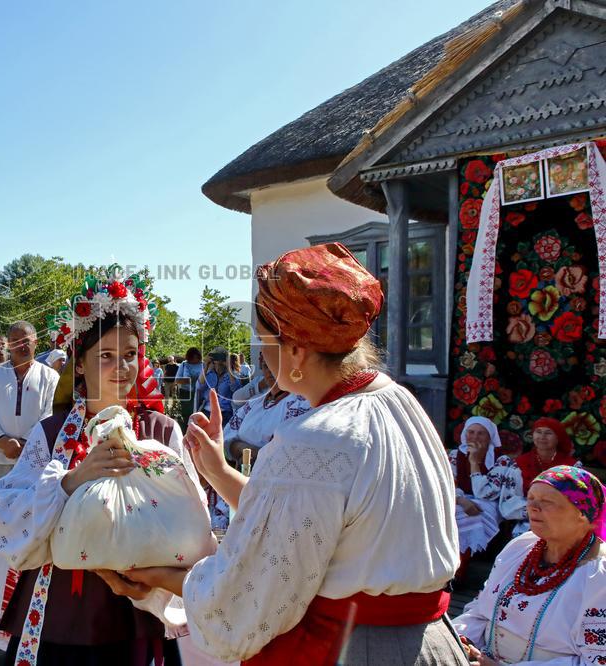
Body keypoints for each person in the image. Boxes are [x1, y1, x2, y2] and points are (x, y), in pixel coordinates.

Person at [123, 243, 465, 665]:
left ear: (297, 350)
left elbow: (250, 596)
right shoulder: (399, 402)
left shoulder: (316, 436)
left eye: (264, 341)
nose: (263, 356)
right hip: (427, 644)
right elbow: (321, 519)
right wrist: (216, 470)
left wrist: (161, 581)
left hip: (358, 649)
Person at [0, 266, 190, 665]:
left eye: (130, 355)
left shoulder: (161, 431)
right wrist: (72, 480)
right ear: (79, 364)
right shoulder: (54, 432)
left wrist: (152, 583)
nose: (122, 368)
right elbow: (1, 514)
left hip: (135, 607)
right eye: (107, 356)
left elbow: (188, 525)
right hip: (60, 605)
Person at [454, 465, 606, 665]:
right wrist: (459, 641)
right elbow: (481, 609)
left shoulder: (598, 575)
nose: (533, 507)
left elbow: (596, 661)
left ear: (582, 512)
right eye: (531, 498)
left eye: (547, 501)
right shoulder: (522, 547)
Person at [0, 321, 58, 490]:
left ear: (36, 342)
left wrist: (27, 442)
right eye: (15, 340)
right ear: (8, 345)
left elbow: (50, 413)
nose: (21, 345)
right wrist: (2, 441)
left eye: (26, 340)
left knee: (30, 511)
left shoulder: (50, 376)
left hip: (34, 459)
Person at [222, 350, 310, 467]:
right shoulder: (255, 402)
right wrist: (243, 449)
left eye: (276, 365)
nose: (270, 371)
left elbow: (285, 453)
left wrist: (249, 452)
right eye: (266, 366)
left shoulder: (301, 404)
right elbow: (226, 435)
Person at [449, 416, 515, 560]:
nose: (475, 437)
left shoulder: (501, 460)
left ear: (489, 436)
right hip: (458, 499)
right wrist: (460, 500)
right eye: (471, 432)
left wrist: (474, 463)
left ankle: (463, 565)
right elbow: (448, 484)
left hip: (489, 502)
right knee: (449, 514)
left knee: (472, 517)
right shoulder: (455, 456)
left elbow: (486, 493)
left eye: (481, 433)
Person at [196, 347, 240, 424]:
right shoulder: (208, 374)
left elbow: (236, 389)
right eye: (215, 355)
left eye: (221, 356)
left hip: (225, 412)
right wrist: (206, 365)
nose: (218, 359)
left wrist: (228, 367)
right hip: (208, 411)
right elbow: (199, 387)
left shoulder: (231, 374)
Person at [174, 347, 204, 427]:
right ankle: (183, 432)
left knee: (198, 415)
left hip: (200, 394)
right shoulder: (184, 364)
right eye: (192, 358)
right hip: (186, 394)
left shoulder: (203, 365)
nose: (194, 360)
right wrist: (189, 380)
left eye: (196, 358)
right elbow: (177, 380)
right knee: (185, 416)